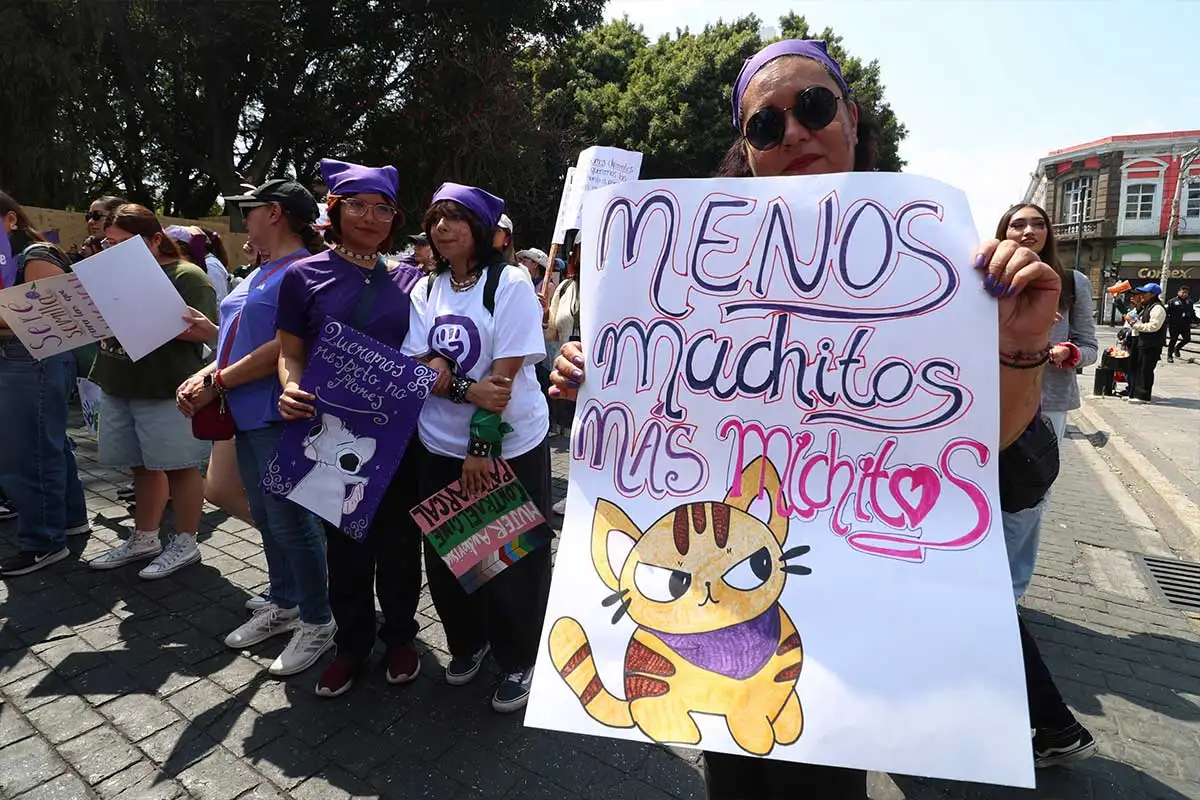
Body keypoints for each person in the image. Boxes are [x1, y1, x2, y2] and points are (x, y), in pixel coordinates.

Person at [549, 38, 1073, 798]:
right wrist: (602, 377)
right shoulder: (692, 261)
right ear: (748, 149)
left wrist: (1020, 345)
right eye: (765, 125)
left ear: (852, 117)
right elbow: (658, 404)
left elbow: (982, 442)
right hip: (716, 606)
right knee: (736, 775)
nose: (793, 132)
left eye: (814, 108)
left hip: (859, 602)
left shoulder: (936, 259)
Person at [275, 158, 427, 697]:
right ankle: (352, 645)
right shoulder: (302, 276)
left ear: (394, 217)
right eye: (357, 206)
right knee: (345, 548)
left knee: (401, 545)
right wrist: (289, 387)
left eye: (382, 208)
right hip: (330, 432)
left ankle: (401, 637)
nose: (370, 217)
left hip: (400, 436)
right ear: (335, 212)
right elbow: (290, 353)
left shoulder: (412, 279)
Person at [175, 179, 334, 675]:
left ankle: (318, 618)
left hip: (275, 411)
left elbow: (286, 348)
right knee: (268, 513)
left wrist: (216, 380)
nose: (244, 217)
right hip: (246, 411)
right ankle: (285, 601)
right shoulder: (264, 269)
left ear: (276, 213)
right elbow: (240, 338)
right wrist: (207, 370)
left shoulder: (304, 270)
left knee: (290, 519)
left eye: (251, 208)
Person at [407, 182, 553, 713]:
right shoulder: (426, 289)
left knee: (509, 558)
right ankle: (469, 642)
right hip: (438, 444)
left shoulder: (509, 282)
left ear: (482, 229)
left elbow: (505, 377)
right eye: (435, 219)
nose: (443, 228)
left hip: (505, 445)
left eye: (455, 218)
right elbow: (418, 367)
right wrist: (463, 387)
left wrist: (481, 445)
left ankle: (519, 658)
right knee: (452, 556)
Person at [87, 204, 218, 579]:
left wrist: (156, 319)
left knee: (179, 467)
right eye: (108, 244)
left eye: (123, 244)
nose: (112, 252)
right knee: (141, 466)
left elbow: (209, 334)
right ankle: (145, 537)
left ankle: (185, 541)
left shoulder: (188, 276)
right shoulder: (108, 276)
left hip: (166, 389)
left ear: (155, 239)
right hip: (120, 383)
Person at [996, 203, 1098, 596]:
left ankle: (1013, 591)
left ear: (1049, 233)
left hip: (1048, 403)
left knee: (1029, 497)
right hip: (995, 399)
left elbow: (1090, 347)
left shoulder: (1072, 283)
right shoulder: (991, 277)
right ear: (1004, 232)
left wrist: (1067, 352)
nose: (1028, 231)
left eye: (1038, 224)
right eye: (1017, 224)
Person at [0, 190, 92, 576]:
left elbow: (43, 316)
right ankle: (68, 521)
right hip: (25, 361)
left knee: (29, 453)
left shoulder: (35, 256)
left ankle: (43, 542)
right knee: (47, 446)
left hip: (32, 361)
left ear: (11, 219)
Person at [1126, 282, 1167, 403]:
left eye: (1145, 293)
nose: (1142, 295)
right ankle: (1134, 393)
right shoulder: (1147, 306)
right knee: (1138, 368)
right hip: (1143, 342)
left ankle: (1143, 396)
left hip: (1152, 344)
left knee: (1145, 370)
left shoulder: (1157, 308)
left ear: (1153, 294)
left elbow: (1154, 326)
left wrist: (1136, 325)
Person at [1166, 285, 1196, 362]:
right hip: (1174, 325)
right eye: (1183, 292)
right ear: (1178, 292)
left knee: (1187, 339)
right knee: (1173, 340)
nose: (1184, 294)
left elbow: (1192, 313)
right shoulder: (1172, 301)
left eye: (1186, 292)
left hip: (1185, 324)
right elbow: (1167, 313)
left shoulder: (1189, 302)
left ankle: (1177, 348)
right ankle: (1169, 356)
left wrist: (1196, 321)